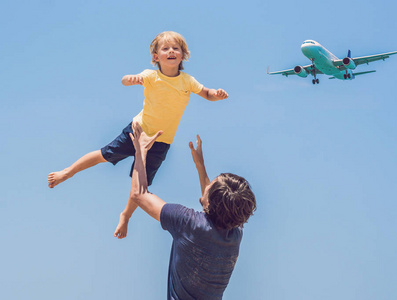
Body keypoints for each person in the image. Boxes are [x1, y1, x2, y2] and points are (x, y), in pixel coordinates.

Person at [47, 31, 229, 239]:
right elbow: (125, 80)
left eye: (176, 48)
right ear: (155, 57)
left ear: (183, 55)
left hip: (160, 142)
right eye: (165, 48)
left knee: (141, 186)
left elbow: (206, 93)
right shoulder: (151, 76)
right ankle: (68, 172)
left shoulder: (187, 81)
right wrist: (131, 79)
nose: (171, 51)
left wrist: (216, 94)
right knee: (103, 155)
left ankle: (125, 216)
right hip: (138, 132)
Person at [128, 122, 256, 300]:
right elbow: (216, 208)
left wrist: (140, 152)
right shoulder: (234, 235)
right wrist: (200, 165)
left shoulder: (187, 222)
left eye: (211, 184)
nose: (208, 184)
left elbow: (139, 194)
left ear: (210, 200)